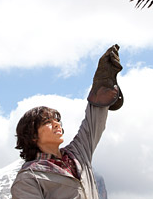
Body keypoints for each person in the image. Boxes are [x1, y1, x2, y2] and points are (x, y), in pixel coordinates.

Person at [11, 44, 124, 198]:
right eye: (47, 122)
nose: (57, 124)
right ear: (32, 135)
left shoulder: (77, 154)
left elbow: (92, 123)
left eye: (57, 121)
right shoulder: (28, 178)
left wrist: (102, 86)